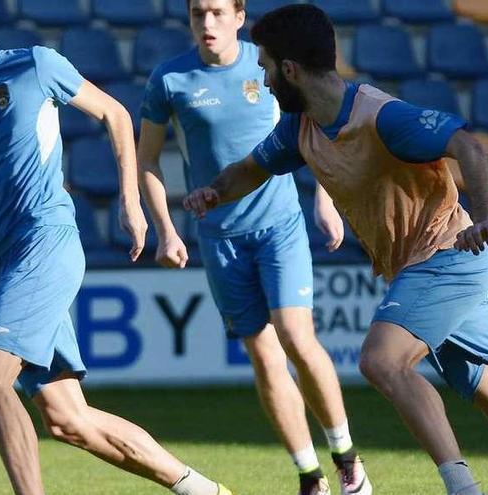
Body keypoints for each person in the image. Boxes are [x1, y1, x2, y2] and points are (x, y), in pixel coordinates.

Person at [183, 4, 488, 495]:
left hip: (447, 258)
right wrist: (215, 191)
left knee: (381, 362)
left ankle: (462, 488)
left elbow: (469, 147)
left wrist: (487, 218)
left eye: (267, 68)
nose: (264, 77)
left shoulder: (382, 118)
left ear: (291, 70)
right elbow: (252, 168)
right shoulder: (301, 129)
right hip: (424, 270)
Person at [0, 1, 231, 494]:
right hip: (9, 257)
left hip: (47, 241)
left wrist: (130, 203)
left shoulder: (35, 65)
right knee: (66, 418)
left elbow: (116, 115)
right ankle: (198, 487)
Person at [138, 1, 371, 494]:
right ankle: (310, 474)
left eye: (219, 12)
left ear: (239, 17)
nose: (208, 23)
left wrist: (325, 198)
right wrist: (165, 228)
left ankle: (347, 458)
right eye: (198, 13)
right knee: (264, 357)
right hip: (219, 238)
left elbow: (317, 121)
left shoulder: (266, 66)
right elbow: (148, 160)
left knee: (295, 336)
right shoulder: (169, 79)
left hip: (278, 226)